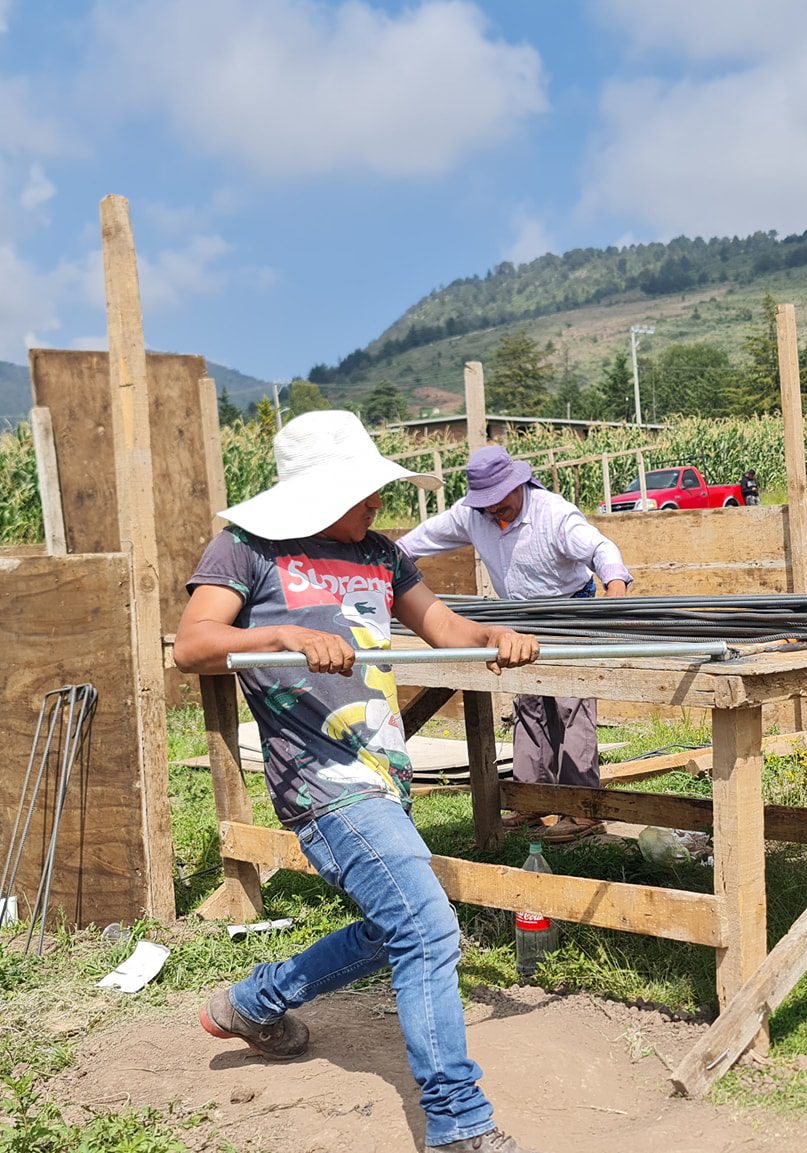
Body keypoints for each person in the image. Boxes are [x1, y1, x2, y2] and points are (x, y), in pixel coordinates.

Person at [173, 411, 546, 1153]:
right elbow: (194, 645)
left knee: (392, 928)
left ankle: (254, 1002)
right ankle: (459, 1124)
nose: (378, 503)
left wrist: (494, 635)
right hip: (322, 781)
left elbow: (443, 628)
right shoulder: (248, 548)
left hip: (384, 774)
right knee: (428, 927)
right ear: (315, 493)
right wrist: (279, 635)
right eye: (362, 491)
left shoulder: (380, 553)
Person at [398, 445, 632, 844]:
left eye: (499, 503)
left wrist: (614, 589)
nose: (493, 512)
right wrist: (379, 564)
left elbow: (600, 549)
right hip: (518, 619)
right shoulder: (472, 516)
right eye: (485, 505)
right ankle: (530, 800)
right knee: (529, 704)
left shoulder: (552, 513)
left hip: (569, 614)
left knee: (570, 703)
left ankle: (582, 808)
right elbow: (416, 542)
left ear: (518, 485)